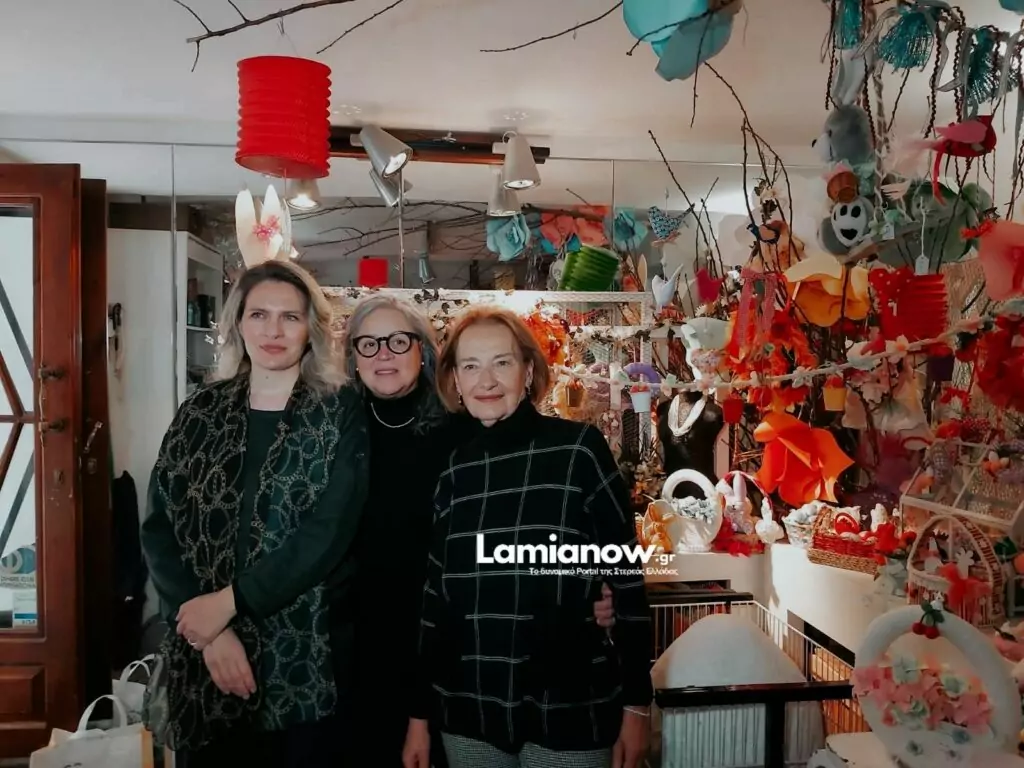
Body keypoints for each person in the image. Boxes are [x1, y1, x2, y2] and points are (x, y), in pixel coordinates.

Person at [338, 294, 618, 768]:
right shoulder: (339, 432)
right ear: (353, 356)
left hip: (469, 653)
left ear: (424, 351)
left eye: (398, 340)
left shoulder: (467, 430)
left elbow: (543, 517)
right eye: (369, 343)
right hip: (365, 644)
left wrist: (592, 582)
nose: (384, 353)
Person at [140, 260, 369, 768]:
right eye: (259, 314)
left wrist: (231, 602)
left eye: (290, 317)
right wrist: (208, 630)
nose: (273, 330)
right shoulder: (200, 411)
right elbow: (159, 529)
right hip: (205, 654)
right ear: (238, 323)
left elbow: (327, 533)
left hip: (303, 657)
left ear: (310, 329)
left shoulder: (338, 411)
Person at [403, 306, 653, 768]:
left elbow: (627, 582)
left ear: (529, 370)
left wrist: (638, 704)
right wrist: (419, 716)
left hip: (568, 705)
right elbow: (436, 603)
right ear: (455, 380)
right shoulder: (455, 471)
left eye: (502, 362)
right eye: (470, 366)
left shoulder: (578, 450)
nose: (486, 380)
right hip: (470, 707)